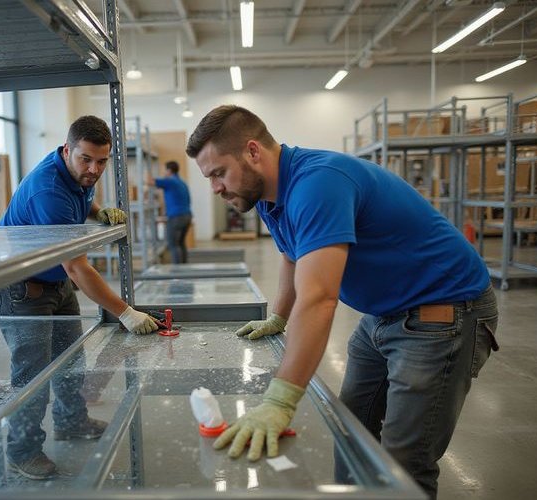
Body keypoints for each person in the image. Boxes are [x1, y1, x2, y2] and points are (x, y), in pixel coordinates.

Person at [185, 105, 498, 499]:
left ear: (252, 152)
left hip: (442, 314)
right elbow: (291, 254)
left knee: (405, 464)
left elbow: (318, 300)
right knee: (351, 428)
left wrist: (280, 400)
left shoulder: (318, 184)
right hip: (385, 312)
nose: (214, 187)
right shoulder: (266, 194)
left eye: (218, 173)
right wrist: (279, 317)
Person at [0, 115, 160, 480]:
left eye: (102, 161)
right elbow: (77, 268)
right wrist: (126, 312)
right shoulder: (48, 191)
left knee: (71, 361)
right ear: (67, 150)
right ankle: (22, 452)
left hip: (53, 283)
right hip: (22, 289)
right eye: (86, 159)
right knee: (33, 376)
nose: (94, 169)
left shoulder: (75, 175)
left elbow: (82, 200)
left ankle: (72, 423)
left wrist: (100, 211)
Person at [151, 160, 192, 263]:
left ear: (169, 170)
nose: (164, 172)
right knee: (181, 243)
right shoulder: (182, 182)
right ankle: (184, 268)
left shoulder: (170, 181)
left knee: (173, 244)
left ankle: (177, 272)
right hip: (187, 216)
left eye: (164, 170)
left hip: (176, 217)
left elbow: (150, 181)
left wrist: (147, 169)